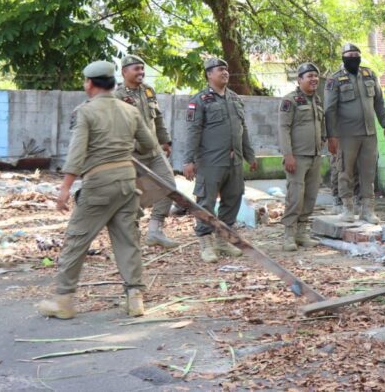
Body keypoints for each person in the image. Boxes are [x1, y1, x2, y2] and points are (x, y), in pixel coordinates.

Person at [37, 61, 158, 319]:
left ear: (89, 84)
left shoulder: (86, 112)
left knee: (77, 240)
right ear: (113, 83)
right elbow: (149, 145)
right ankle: (135, 298)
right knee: (127, 240)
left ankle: (63, 300)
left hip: (99, 183)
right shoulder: (130, 110)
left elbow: (77, 151)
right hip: (127, 182)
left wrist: (65, 188)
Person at [183, 57, 258, 263]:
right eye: (219, 70)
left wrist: (249, 156)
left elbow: (243, 131)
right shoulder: (199, 100)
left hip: (234, 161)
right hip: (210, 161)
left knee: (233, 198)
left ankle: (223, 240)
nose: (225, 72)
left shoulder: (235, 98)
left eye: (226, 69)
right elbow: (193, 131)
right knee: (206, 201)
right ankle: (205, 242)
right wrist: (188, 160)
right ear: (209, 74)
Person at [323, 43, 385, 224]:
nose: (353, 57)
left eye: (356, 54)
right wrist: (331, 136)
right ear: (343, 57)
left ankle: (367, 210)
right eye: (349, 54)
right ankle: (347, 208)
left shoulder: (369, 75)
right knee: (345, 171)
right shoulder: (335, 80)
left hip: (369, 134)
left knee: (368, 173)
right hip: (346, 135)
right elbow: (329, 110)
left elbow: (379, 103)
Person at [114, 54, 178, 248]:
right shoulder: (117, 96)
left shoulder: (148, 91)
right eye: (136, 69)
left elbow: (157, 118)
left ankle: (155, 230)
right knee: (131, 194)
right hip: (131, 155)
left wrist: (165, 140)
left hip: (154, 150)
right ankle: (131, 236)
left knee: (169, 187)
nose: (141, 72)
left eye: (142, 69)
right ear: (124, 72)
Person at [277, 63, 325, 251]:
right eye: (309, 76)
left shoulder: (317, 100)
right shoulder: (290, 100)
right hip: (297, 156)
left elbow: (322, 124)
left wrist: (323, 140)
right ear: (299, 80)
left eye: (316, 76)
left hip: (315, 155)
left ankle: (301, 233)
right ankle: (288, 235)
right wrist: (288, 154)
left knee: (310, 196)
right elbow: (283, 128)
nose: (314, 79)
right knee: (295, 196)